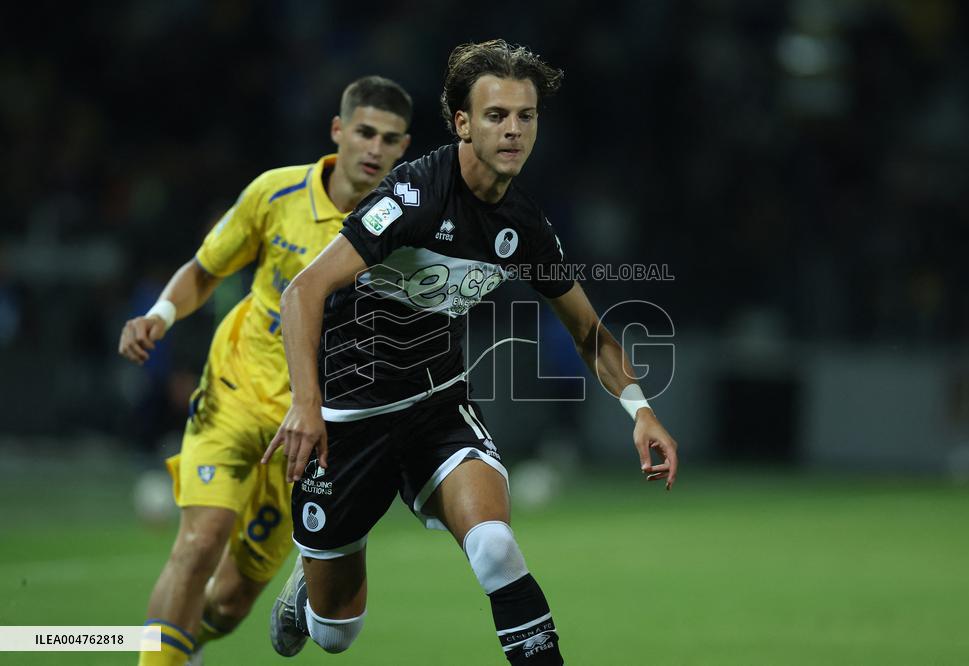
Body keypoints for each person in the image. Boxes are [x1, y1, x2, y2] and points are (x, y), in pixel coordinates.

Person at [262, 40, 678, 665]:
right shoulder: (414, 196)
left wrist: (641, 410)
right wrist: (306, 404)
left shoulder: (525, 227)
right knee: (333, 636)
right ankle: (309, 584)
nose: (513, 129)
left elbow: (590, 333)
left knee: (496, 548)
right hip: (349, 422)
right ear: (462, 122)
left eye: (526, 116)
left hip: (437, 408)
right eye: (495, 115)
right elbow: (303, 291)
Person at [117, 75, 413, 666]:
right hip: (234, 393)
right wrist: (160, 314)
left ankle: (182, 648)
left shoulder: (409, 228)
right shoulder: (276, 195)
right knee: (199, 542)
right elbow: (206, 267)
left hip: (308, 436)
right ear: (338, 132)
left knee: (229, 602)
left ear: (405, 147)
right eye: (364, 132)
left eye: (390, 138)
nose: (375, 149)